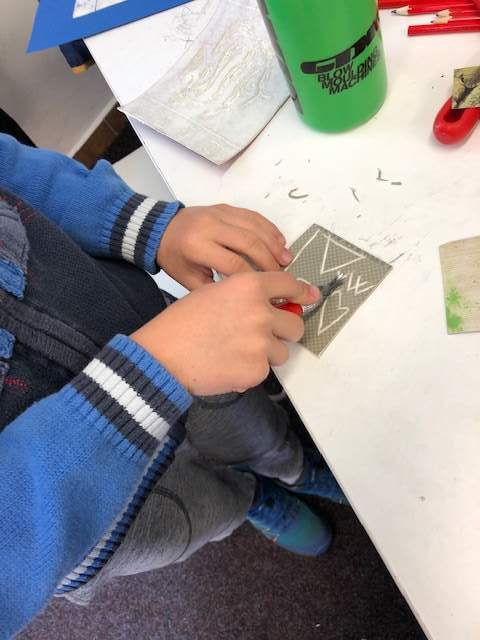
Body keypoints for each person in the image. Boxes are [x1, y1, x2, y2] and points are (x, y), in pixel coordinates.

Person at [0, 133, 346, 638]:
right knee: (196, 513)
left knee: (250, 424)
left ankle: (292, 467)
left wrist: (144, 224)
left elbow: (11, 168)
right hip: (82, 517)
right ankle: (251, 500)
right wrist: (149, 373)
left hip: (152, 326)